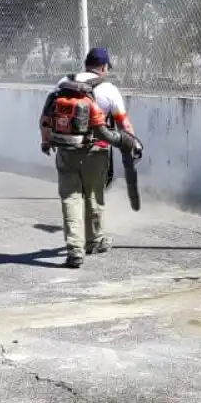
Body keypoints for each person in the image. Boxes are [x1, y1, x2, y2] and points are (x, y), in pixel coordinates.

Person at [39, 47, 138, 269]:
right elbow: (123, 123)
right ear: (103, 67)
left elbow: (46, 117)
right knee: (94, 196)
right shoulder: (109, 89)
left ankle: (75, 249)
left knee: (70, 198)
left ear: (85, 64)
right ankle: (94, 241)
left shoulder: (64, 82)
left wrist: (46, 141)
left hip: (66, 149)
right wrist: (131, 144)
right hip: (97, 151)